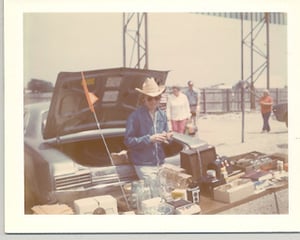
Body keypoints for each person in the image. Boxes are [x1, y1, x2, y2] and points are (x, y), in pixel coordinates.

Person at [124, 77, 173, 180]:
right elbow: (128, 141)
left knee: (163, 194)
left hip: (160, 162)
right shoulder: (135, 116)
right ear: (143, 99)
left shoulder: (162, 115)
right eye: (150, 98)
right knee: (154, 193)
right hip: (144, 165)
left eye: (157, 98)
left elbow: (167, 135)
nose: (154, 101)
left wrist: (168, 137)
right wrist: (149, 139)